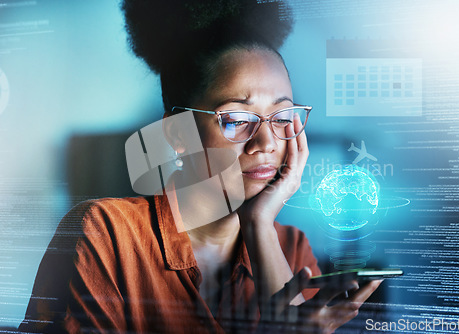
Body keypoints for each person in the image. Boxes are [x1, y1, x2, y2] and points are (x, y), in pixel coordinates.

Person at [19, 0, 382, 333]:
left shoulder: (289, 248)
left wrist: (258, 225)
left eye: (282, 115)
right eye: (237, 119)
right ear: (177, 132)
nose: (268, 142)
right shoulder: (107, 233)